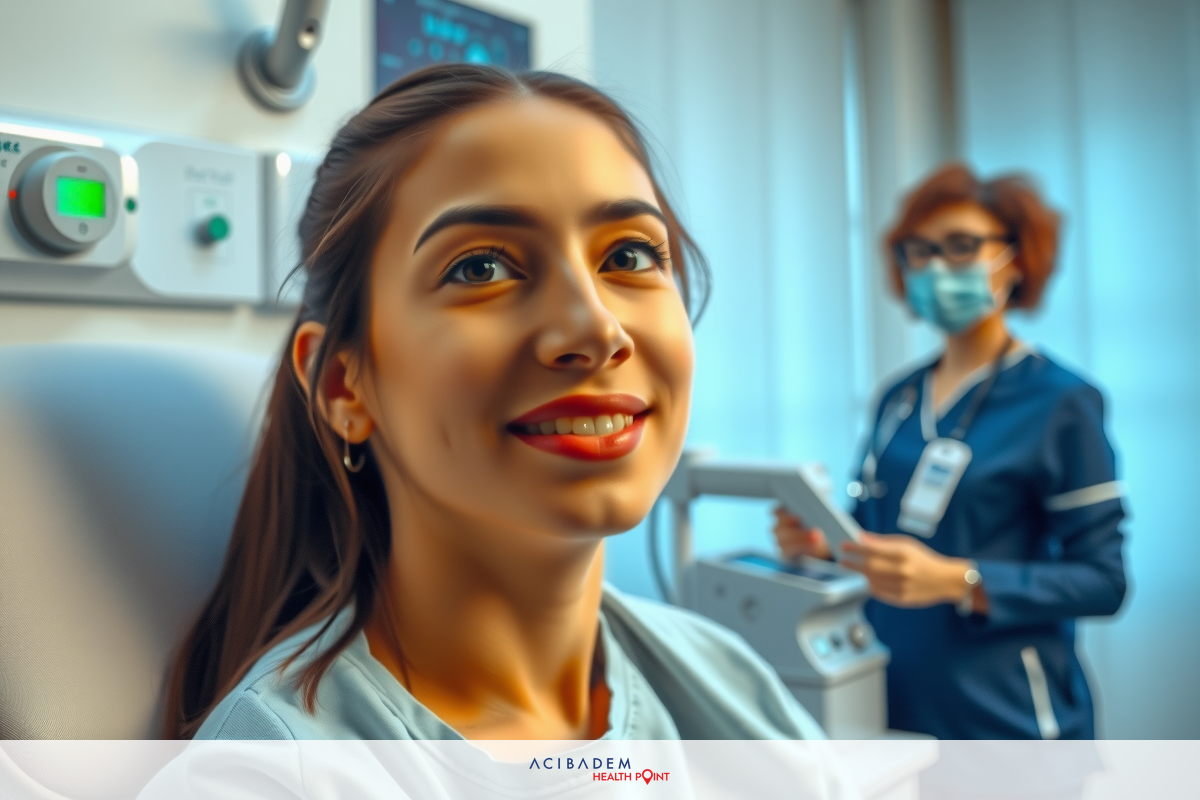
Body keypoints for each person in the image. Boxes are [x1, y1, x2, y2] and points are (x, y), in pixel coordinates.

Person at [164, 64, 829, 745]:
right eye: (480, 268)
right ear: (343, 386)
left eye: (629, 255)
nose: (597, 331)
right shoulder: (278, 770)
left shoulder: (729, 684)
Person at [774, 164, 1127, 740]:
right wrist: (823, 547)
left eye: (962, 247)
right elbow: (872, 534)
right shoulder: (897, 397)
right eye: (920, 251)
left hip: (1005, 716)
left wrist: (955, 580)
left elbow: (1103, 581)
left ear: (1015, 259)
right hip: (890, 699)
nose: (937, 268)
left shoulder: (1062, 401)